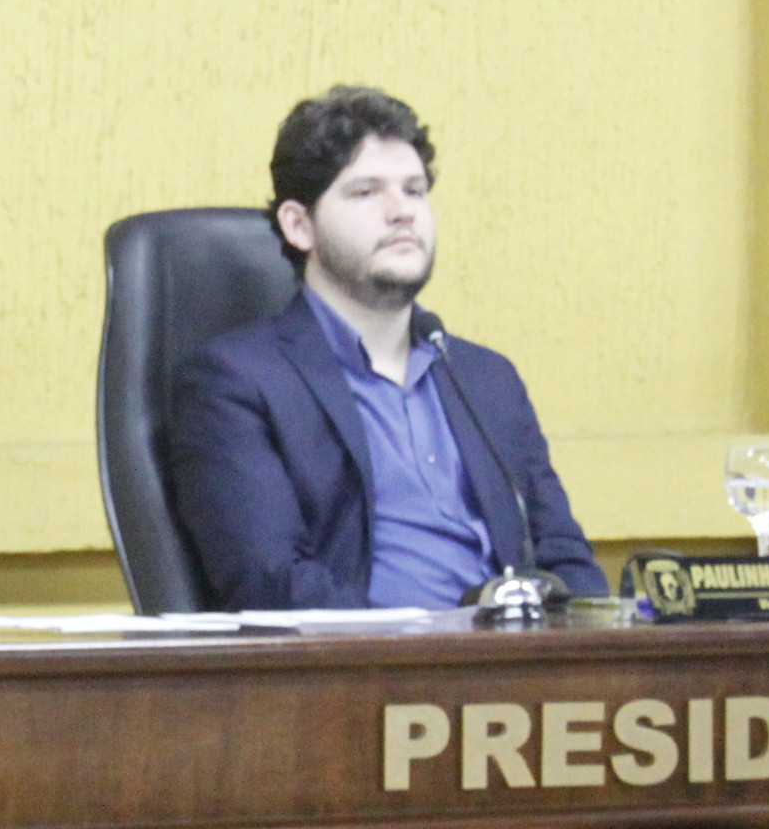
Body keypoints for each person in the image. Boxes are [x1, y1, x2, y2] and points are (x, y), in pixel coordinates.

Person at [168, 86, 602, 610]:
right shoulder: (235, 382)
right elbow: (274, 582)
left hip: (511, 676)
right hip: (363, 677)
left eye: (415, 191)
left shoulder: (485, 379)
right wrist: (428, 641)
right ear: (298, 225)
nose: (402, 212)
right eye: (367, 192)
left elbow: (566, 560)